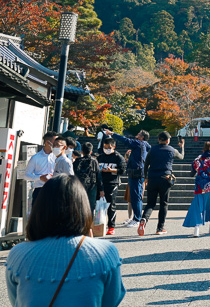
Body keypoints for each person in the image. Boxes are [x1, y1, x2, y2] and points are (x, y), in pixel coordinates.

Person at [6, 175, 126, 306]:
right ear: (83, 208)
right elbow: (111, 301)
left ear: (40, 208)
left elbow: (17, 301)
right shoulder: (105, 252)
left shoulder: (18, 254)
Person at [138, 131, 184, 236]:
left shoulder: (152, 149)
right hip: (165, 179)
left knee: (150, 203)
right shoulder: (172, 150)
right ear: (168, 140)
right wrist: (182, 147)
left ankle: (144, 219)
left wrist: (145, 177)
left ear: (159, 139)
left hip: (152, 178)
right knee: (163, 204)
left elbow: (146, 164)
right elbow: (181, 157)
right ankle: (160, 228)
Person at [104, 128, 150, 227]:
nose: (137, 135)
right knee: (136, 196)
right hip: (139, 172)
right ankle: (136, 218)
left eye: (138, 134)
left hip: (136, 173)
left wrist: (112, 133)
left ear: (142, 137)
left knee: (136, 196)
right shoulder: (145, 145)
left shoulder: (138, 143)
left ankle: (137, 219)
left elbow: (125, 140)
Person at [184, 141, 210, 237]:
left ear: (203, 150)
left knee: (198, 206)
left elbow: (191, 173)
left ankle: (196, 229)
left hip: (199, 187)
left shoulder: (197, 160)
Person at [97, 136, 126, 236]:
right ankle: (99, 224)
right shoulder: (100, 156)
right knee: (98, 205)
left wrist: (111, 170)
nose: (107, 149)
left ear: (114, 146)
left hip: (112, 182)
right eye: (105, 147)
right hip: (100, 182)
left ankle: (111, 226)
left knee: (111, 205)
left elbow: (122, 170)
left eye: (109, 147)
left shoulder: (118, 157)